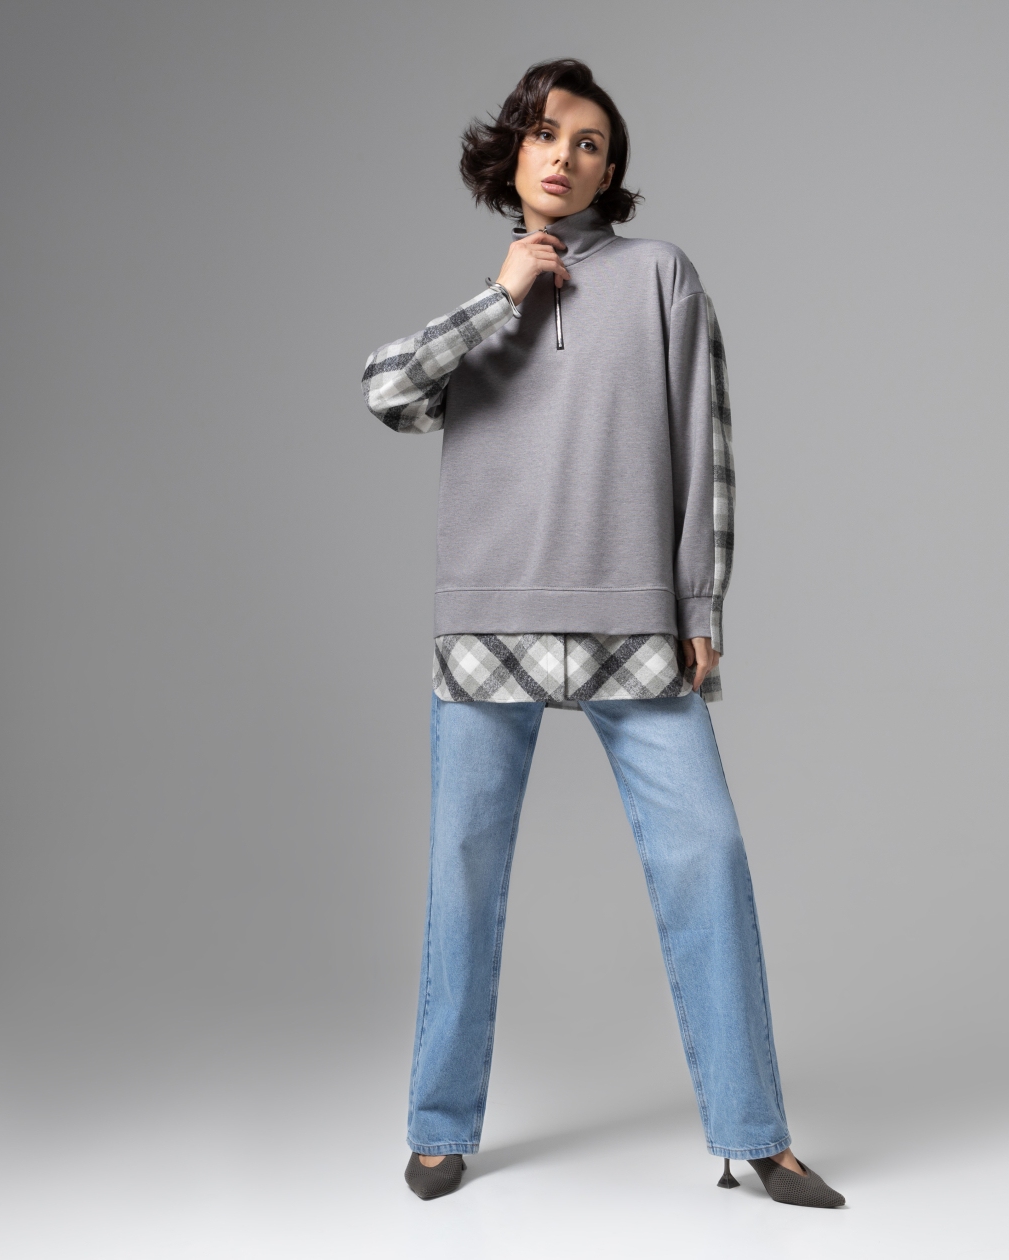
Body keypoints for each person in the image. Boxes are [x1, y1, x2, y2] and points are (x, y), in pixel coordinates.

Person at [361, 58, 843, 1210]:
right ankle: (438, 1126)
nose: (565, 155)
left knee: (706, 858)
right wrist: (501, 296)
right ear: (513, 154)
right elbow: (385, 394)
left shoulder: (662, 276)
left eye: (588, 142)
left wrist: (700, 604)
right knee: (462, 877)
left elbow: (704, 447)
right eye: (545, 134)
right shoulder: (489, 303)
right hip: (490, 628)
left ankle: (755, 1134)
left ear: (610, 169)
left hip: (634, 622)